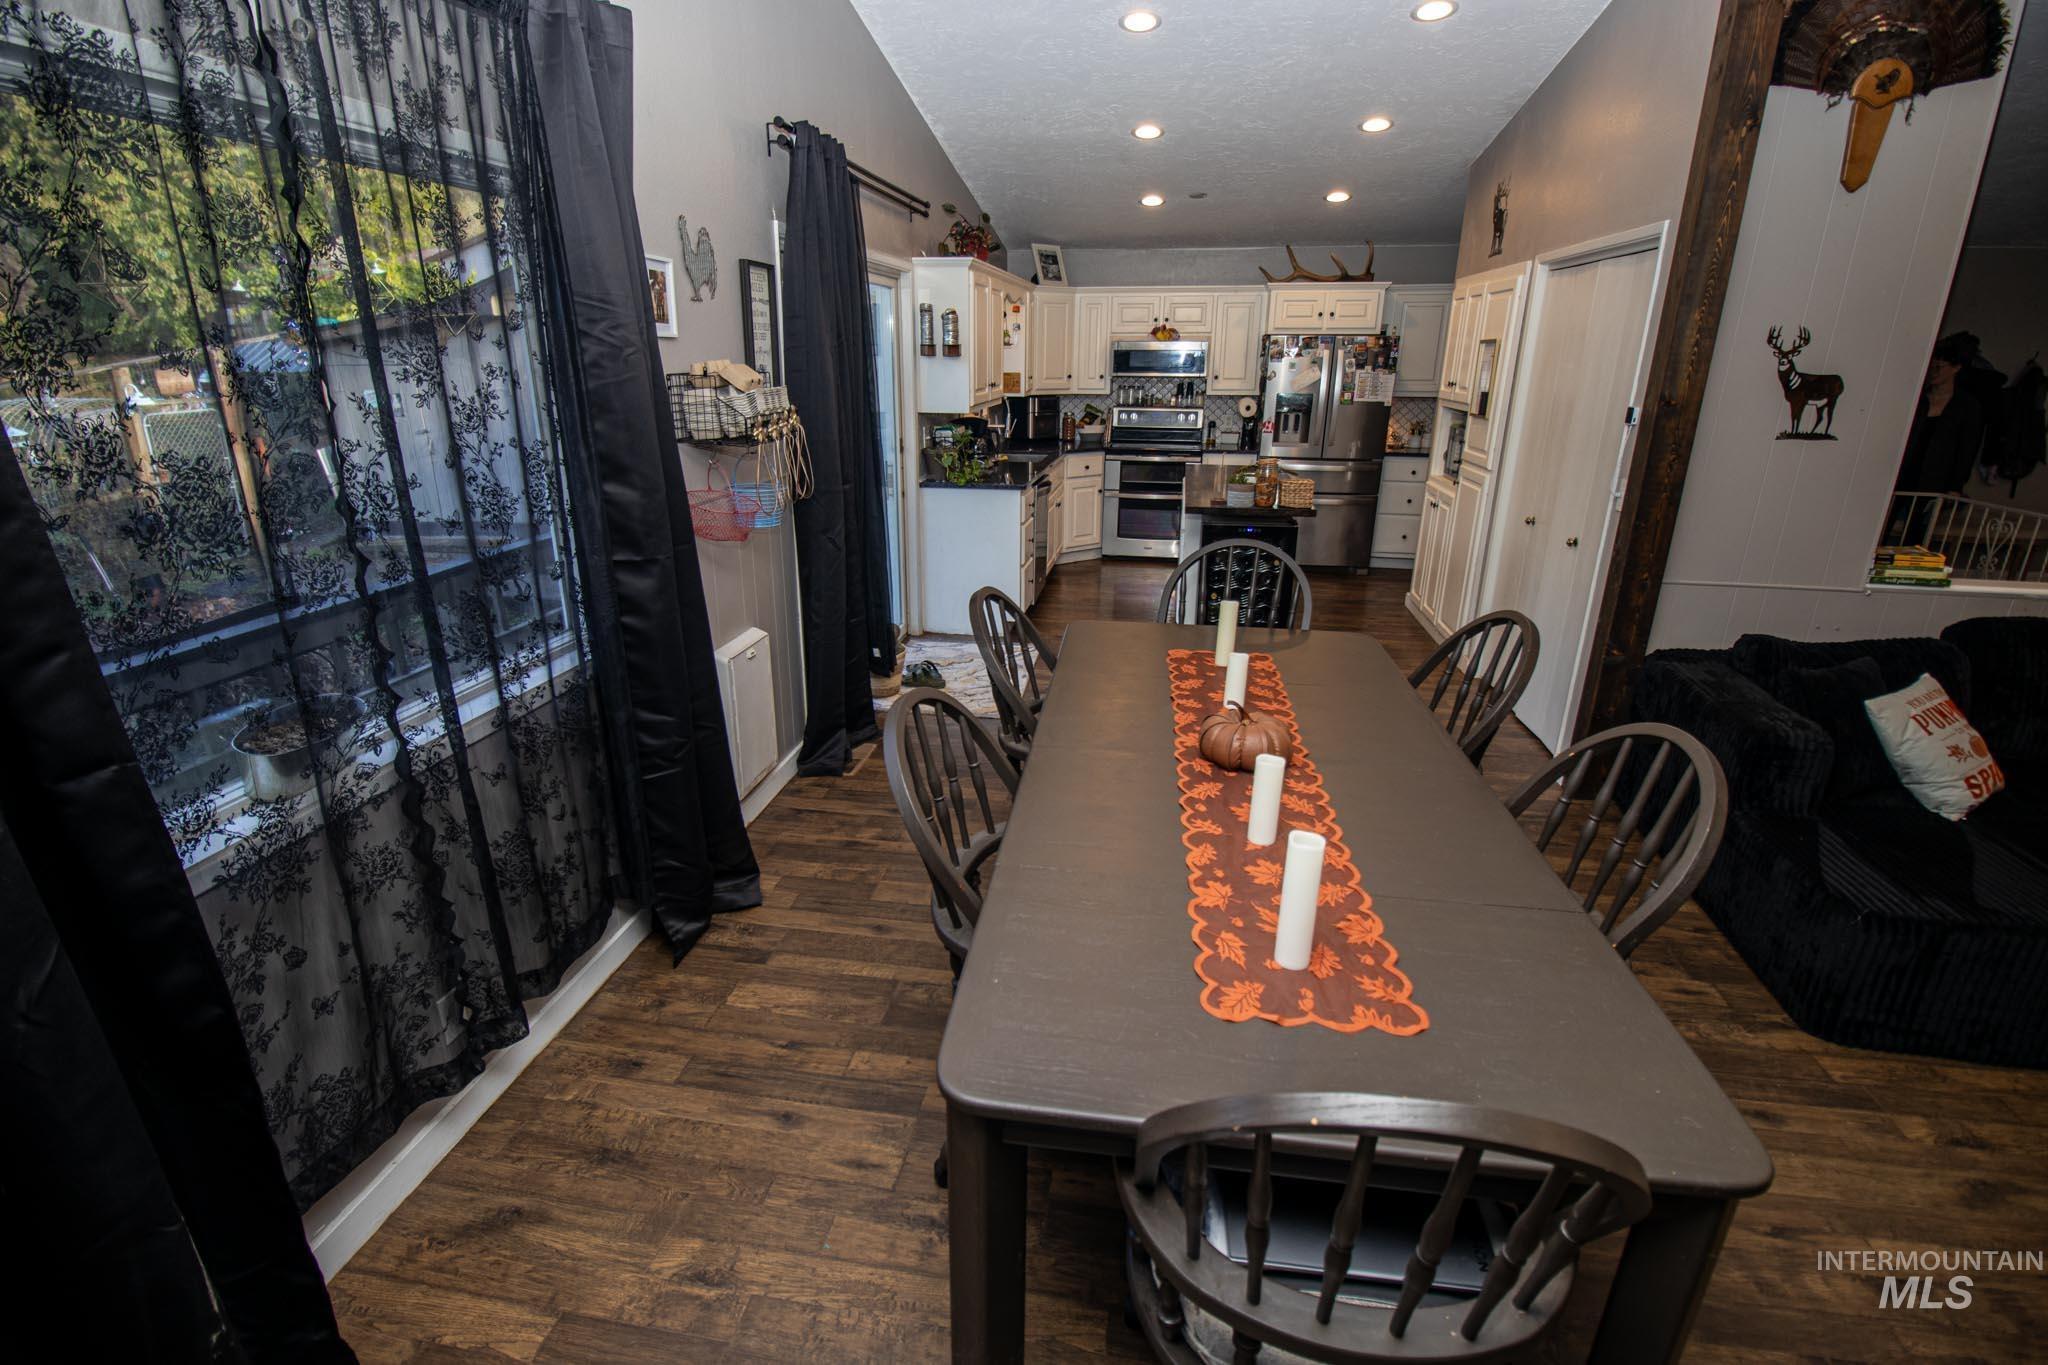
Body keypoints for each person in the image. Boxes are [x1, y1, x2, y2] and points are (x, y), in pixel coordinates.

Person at [1893, 333, 1988, 545]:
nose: (1934, 373)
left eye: (1940, 367)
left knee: (1917, 535)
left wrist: (1955, 486)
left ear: (1955, 368)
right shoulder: (1919, 400)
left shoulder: (1967, 407)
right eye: (1931, 367)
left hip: (1934, 481)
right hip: (1903, 475)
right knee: (1886, 526)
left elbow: (1967, 450)